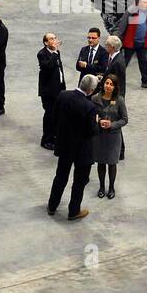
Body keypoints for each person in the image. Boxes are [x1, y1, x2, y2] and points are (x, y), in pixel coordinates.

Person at [47, 74, 99, 222]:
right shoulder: (89, 107)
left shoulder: (63, 95)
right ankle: (73, 211)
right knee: (79, 181)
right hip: (82, 150)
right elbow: (91, 131)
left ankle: (52, 205)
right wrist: (96, 123)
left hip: (64, 146)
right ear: (91, 90)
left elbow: (54, 116)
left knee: (60, 176)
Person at [91, 74, 127, 199]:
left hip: (113, 136)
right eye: (107, 83)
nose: (108, 86)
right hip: (100, 136)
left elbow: (124, 119)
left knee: (112, 163)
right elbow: (91, 114)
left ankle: (111, 187)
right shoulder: (96, 98)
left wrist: (112, 124)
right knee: (101, 162)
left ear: (115, 87)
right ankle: (101, 187)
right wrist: (98, 121)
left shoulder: (119, 100)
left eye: (111, 84)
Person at [114, 0, 147, 89]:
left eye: (146, 2)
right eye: (143, 2)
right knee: (124, 63)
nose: (145, 4)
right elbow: (122, 26)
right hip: (130, 43)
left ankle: (145, 82)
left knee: (143, 63)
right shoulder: (130, 12)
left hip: (142, 43)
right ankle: (115, 81)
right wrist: (118, 39)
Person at [36, 32, 65, 149]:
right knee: (49, 115)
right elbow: (47, 66)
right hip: (48, 91)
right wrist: (54, 52)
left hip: (58, 89)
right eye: (51, 39)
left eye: (55, 38)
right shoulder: (42, 54)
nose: (54, 40)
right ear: (46, 42)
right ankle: (46, 139)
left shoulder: (56, 52)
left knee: (56, 115)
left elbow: (59, 69)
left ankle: (54, 136)